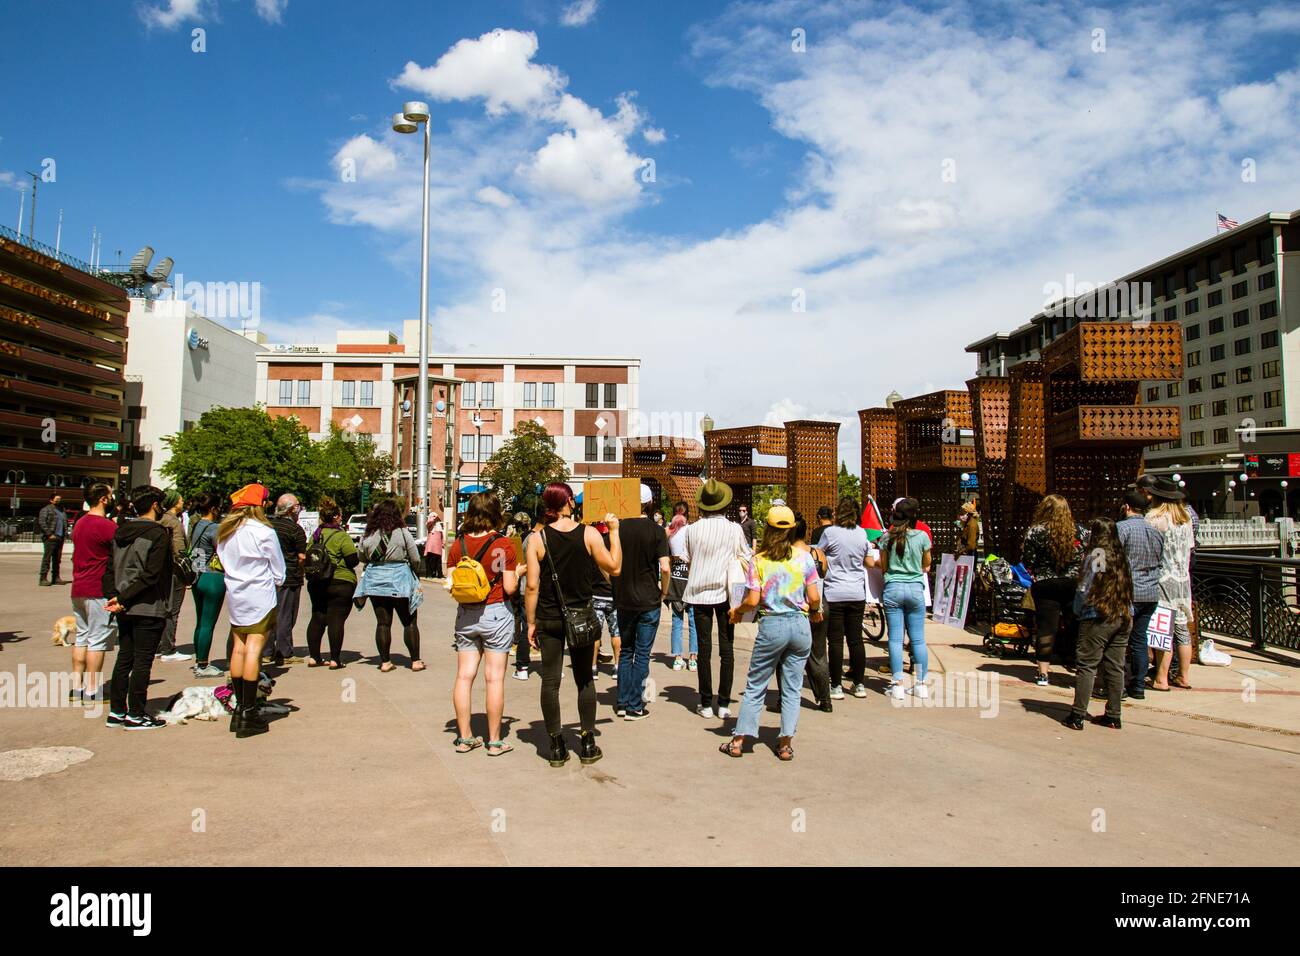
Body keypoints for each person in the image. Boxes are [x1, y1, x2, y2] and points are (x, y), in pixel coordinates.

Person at [524, 482, 621, 767]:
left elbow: (531, 585)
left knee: (550, 680)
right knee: (584, 678)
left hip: (549, 616)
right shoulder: (589, 534)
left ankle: (555, 744)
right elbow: (614, 567)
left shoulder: (537, 540)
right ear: (568, 502)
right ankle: (588, 741)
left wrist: (531, 622)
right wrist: (614, 533)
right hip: (582, 615)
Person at [720, 505, 820, 761]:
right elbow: (814, 597)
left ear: (768, 529)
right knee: (792, 686)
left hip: (772, 624)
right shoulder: (804, 558)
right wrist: (815, 611)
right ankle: (785, 743)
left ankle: (739, 739)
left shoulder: (759, 560)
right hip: (800, 625)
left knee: (756, 684)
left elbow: (753, 600)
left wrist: (737, 611)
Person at [445, 492, 517, 754]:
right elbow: (509, 587)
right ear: (495, 512)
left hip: (466, 614)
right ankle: (495, 741)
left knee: (464, 676)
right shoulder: (503, 544)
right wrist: (517, 574)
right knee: (494, 678)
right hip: (496, 611)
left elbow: (451, 584)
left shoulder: (458, 544)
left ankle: (465, 738)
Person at [215, 484, 286, 738]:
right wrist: (278, 580)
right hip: (259, 593)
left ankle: (238, 707)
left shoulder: (226, 530)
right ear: (260, 505)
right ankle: (248, 711)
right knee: (254, 649)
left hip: (236, 593)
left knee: (239, 646)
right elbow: (277, 566)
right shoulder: (263, 531)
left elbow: (222, 561)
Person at [101, 485, 174, 730]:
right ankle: (136, 713)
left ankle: (117, 710)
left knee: (125, 658)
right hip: (146, 604)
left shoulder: (121, 531)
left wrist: (115, 596)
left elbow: (109, 568)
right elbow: (152, 574)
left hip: (123, 603)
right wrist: (123, 599)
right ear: (155, 505)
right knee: (143, 661)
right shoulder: (159, 534)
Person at [684, 479, 751, 719]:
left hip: (699, 593)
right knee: (727, 648)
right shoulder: (735, 529)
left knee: (703, 648)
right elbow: (746, 555)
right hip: (726, 593)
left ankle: (705, 702)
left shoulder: (692, 529)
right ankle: (723, 702)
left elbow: (687, 557)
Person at [1064, 517, 1134, 731]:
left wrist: (1077, 610)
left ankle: (1077, 714)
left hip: (1098, 614)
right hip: (1123, 614)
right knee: (1115, 666)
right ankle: (1114, 714)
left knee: (1087, 665)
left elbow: (1086, 587)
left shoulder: (1098, 555)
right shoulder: (1121, 556)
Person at [613, 485, 670, 720]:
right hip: (648, 599)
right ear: (649, 504)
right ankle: (635, 705)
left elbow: (608, 563)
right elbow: (665, 567)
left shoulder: (618, 529)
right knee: (643, 653)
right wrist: (664, 592)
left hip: (624, 598)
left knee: (626, 651)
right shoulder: (657, 531)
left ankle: (622, 701)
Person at [1021, 494, 1085, 687]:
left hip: (1045, 582)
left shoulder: (1035, 531)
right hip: (1072, 582)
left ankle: (1043, 673)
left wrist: (1036, 570)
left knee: (1046, 628)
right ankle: (1080, 668)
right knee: (1076, 626)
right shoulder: (1079, 531)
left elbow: (1028, 560)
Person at [356, 497, 425, 672]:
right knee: (409, 621)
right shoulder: (402, 532)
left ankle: (385, 662)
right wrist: (415, 572)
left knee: (383, 623)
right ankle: (415, 661)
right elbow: (415, 557)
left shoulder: (369, 533)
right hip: (399, 580)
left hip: (375, 581)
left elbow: (361, 556)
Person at [819, 496, 873, 699]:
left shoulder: (830, 532)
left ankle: (836, 686)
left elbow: (818, 553)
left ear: (838, 512)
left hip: (834, 592)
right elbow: (868, 562)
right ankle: (859, 684)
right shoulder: (862, 533)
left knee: (835, 641)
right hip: (857, 593)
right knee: (856, 640)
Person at [69, 482, 117, 706]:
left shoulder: (79, 523)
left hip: (78, 586)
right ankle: (92, 688)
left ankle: (77, 685)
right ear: (103, 499)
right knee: (97, 640)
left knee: (82, 636)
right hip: (98, 588)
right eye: (111, 494)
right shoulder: (106, 526)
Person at [1146, 480, 1196, 691]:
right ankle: (1184, 676)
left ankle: (1161, 677)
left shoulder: (1154, 519)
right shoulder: (1186, 520)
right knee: (1182, 630)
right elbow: (1191, 548)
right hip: (1183, 580)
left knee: (1163, 629)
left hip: (1163, 579)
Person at [880, 497, 930, 701]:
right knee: (918, 639)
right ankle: (921, 683)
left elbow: (883, 566)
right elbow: (926, 564)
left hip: (892, 587)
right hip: (916, 588)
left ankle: (898, 683)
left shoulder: (886, 538)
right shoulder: (922, 537)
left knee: (894, 639)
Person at [1116, 490, 1163, 701]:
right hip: (1151, 592)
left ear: (1126, 507)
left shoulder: (1121, 528)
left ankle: (1120, 684)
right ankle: (1138, 686)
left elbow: (1113, 559)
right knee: (1139, 640)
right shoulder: (1155, 533)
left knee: (1120, 639)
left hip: (1128, 591)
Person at [304, 496, 360, 668]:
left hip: (317, 582)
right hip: (340, 582)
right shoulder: (341, 536)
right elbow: (352, 561)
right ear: (335, 517)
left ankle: (314, 657)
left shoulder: (315, 537)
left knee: (317, 617)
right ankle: (335, 659)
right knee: (336, 619)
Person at [187, 492, 227, 678]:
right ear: (213, 509)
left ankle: (199, 660)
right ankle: (203, 665)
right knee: (208, 623)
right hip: (213, 577)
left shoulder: (197, 525)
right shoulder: (215, 528)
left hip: (197, 574)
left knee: (200, 621)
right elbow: (224, 551)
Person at [268, 493, 307, 666]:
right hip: (289, 576)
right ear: (292, 509)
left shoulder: (268, 526)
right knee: (286, 615)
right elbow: (301, 556)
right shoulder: (295, 529)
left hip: (267, 576)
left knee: (269, 614)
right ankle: (284, 652)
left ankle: (266, 650)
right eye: (298, 505)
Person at [155, 489, 190, 662]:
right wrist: (187, 571)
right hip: (174, 571)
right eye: (181, 499)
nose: (182, 502)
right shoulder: (173, 522)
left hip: (159, 570)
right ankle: (168, 647)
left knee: (161, 608)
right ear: (175, 502)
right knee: (172, 610)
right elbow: (179, 549)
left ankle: (158, 645)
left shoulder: (159, 518)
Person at [665, 513, 698, 671]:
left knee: (677, 622)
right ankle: (693, 658)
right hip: (690, 580)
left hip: (675, 581)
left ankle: (678, 658)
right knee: (693, 622)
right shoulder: (690, 531)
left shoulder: (670, 534)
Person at [512, 510, 542, 681]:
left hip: (526, 588)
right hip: (541, 589)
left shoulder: (525, 539)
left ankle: (522, 666)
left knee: (527, 626)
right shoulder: (542, 538)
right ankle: (551, 667)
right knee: (544, 627)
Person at [589, 520, 621, 679]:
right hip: (613, 595)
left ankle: (593, 667)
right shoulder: (617, 544)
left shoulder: (593, 545)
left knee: (596, 634)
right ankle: (617, 666)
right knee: (616, 632)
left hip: (596, 595)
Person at [39, 492, 68, 586]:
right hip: (50, 538)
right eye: (56, 499)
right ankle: (43, 578)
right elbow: (42, 522)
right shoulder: (46, 509)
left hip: (60, 537)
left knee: (57, 559)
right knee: (47, 559)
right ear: (51, 500)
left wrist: (65, 534)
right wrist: (49, 534)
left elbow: (65, 522)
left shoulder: (62, 510)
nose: (58, 501)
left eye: (59, 499)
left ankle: (56, 577)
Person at [424, 513, 445, 579]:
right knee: (430, 559)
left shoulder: (439, 525)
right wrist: (433, 519)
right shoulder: (429, 524)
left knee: (438, 560)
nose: (435, 517)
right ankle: (430, 574)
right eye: (433, 516)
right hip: (431, 545)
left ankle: (439, 574)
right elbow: (428, 523)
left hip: (438, 545)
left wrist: (442, 542)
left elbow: (441, 535)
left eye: (436, 516)